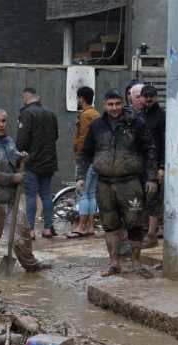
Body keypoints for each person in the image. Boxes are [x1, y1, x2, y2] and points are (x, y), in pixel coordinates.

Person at [76, 89, 158, 277]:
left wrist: (152, 177)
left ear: (123, 103)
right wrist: (81, 176)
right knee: (109, 224)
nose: (114, 108)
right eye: (110, 104)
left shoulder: (136, 123)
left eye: (117, 104)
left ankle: (137, 264)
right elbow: (85, 153)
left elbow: (150, 150)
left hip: (130, 183)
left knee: (135, 224)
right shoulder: (97, 125)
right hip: (104, 184)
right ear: (104, 105)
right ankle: (115, 264)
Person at [0, 108, 49, 274]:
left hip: (11, 196)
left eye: (3, 121)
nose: (1, 125)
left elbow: (13, 157)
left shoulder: (8, 140)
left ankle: (30, 264)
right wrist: (12, 178)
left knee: (22, 231)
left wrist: (21, 157)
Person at [16, 87, 59, 239]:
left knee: (30, 196)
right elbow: (55, 136)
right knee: (46, 194)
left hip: (31, 162)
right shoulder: (51, 114)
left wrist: (19, 155)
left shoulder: (26, 113)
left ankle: (31, 230)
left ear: (25, 98)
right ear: (38, 97)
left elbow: (21, 141)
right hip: (48, 162)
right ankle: (48, 228)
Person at [67, 86, 100, 239]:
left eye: (78, 98)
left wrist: (79, 156)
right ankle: (91, 226)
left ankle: (81, 226)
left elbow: (82, 139)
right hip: (96, 159)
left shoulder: (85, 115)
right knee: (91, 193)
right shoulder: (96, 114)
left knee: (82, 193)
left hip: (85, 159)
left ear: (81, 98)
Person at [140, 85, 166, 248]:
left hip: (155, 164)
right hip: (139, 164)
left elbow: (164, 143)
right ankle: (143, 233)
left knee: (153, 200)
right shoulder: (139, 115)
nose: (148, 99)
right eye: (146, 96)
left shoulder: (162, 116)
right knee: (141, 199)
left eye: (151, 96)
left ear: (156, 97)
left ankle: (151, 235)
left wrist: (161, 167)